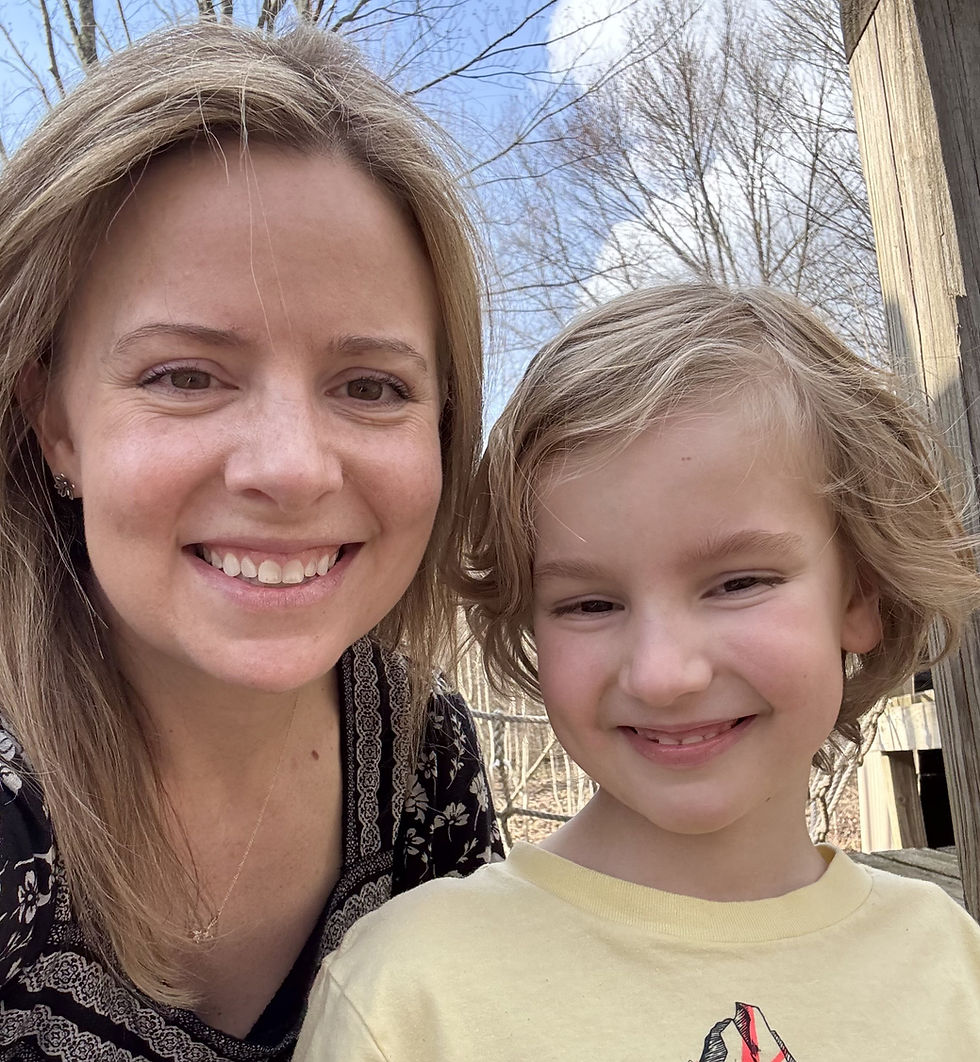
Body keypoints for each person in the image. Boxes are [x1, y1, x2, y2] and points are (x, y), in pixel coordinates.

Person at [295, 283, 980, 1061]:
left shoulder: (951, 966)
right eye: (589, 604)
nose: (662, 675)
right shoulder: (409, 995)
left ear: (860, 594)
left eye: (738, 583)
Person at [0, 21, 502, 1062]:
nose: (292, 467)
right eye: (185, 376)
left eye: (371, 386)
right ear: (53, 420)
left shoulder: (423, 754)